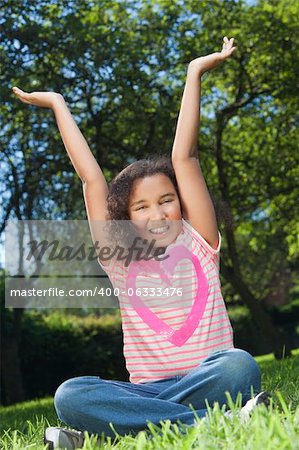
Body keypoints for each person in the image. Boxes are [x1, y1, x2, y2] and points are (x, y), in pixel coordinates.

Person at [13, 36, 270, 450]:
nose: (157, 212)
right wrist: (59, 105)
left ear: (181, 203)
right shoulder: (121, 258)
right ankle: (212, 421)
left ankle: (128, 427)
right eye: (142, 206)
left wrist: (194, 73)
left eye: (167, 200)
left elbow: (184, 156)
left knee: (239, 366)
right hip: (147, 391)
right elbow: (91, 179)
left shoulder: (200, 239)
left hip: (209, 376)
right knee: (70, 395)